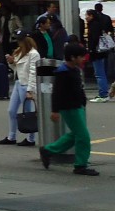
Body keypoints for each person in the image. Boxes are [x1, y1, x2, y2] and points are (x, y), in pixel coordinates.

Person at [40, 42, 99, 176]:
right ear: (72, 57)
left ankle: (48, 150)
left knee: (75, 134)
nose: (83, 59)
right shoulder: (63, 72)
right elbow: (57, 92)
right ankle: (80, 165)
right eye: (81, 57)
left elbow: (79, 88)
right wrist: (55, 110)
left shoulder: (75, 70)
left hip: (77, 106)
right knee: (83, 136)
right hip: (69, 107)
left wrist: (83, 101)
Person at [0, 34, 40, 146]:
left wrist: (30, 90)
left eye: (20, 40)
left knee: (28, 113)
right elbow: (16, 68)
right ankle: (11, 136)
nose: (18, 42)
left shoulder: (33, 54)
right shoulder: (19, 52)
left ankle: (31, 138)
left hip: (26, 84)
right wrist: (11, 62)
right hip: (18, 83)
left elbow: (33, 72)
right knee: (11, 110)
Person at [84, 3, 114, 102]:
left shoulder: (94, 25)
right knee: (102, 72)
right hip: (102, 51)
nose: (86, 17)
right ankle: (104, 93)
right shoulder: (104, 20)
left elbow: (94, 39)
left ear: (92, 16)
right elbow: (110, 30)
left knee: (99, 74)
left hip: (97, 53)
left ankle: (103, 94)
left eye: (87, 15)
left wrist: (91, 49)